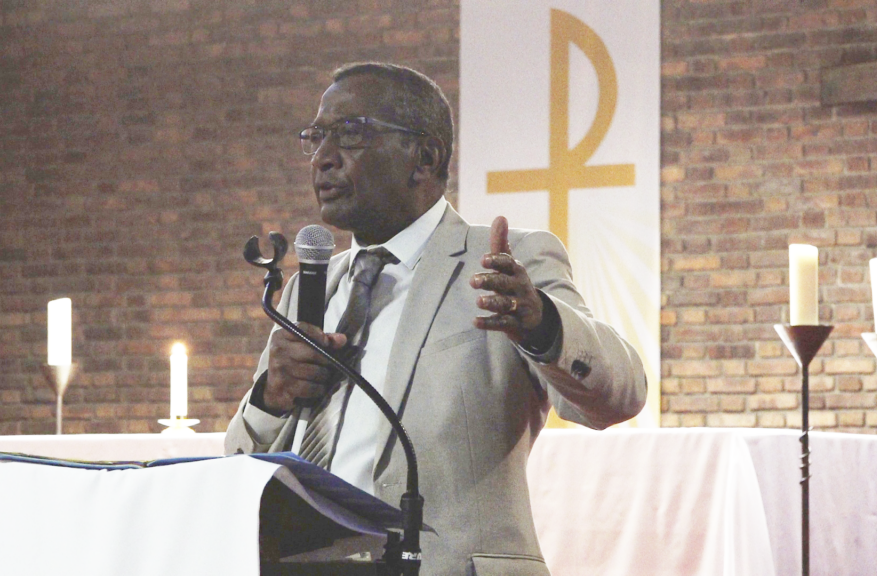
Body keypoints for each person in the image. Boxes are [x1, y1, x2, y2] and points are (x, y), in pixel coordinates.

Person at [225, 62, 647, 576]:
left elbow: (620, 395)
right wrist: (269, 398)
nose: (323, 158)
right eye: (316, 138)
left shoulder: (503, 264)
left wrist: (543, 326)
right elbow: (239, 459)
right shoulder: (306, 289)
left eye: (350, 134)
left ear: (424, 158)